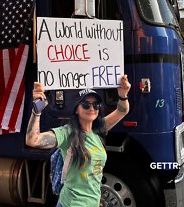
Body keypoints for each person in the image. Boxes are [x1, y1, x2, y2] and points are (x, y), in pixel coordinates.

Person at [25, 75, 131, 207]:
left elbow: (122, 110)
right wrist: (38, 107)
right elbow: (32, 140)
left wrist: (123, 95)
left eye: (95, 104)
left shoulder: (98, 130)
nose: (92, 108)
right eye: (86, 105)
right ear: (77, 109)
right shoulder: (67, 133)